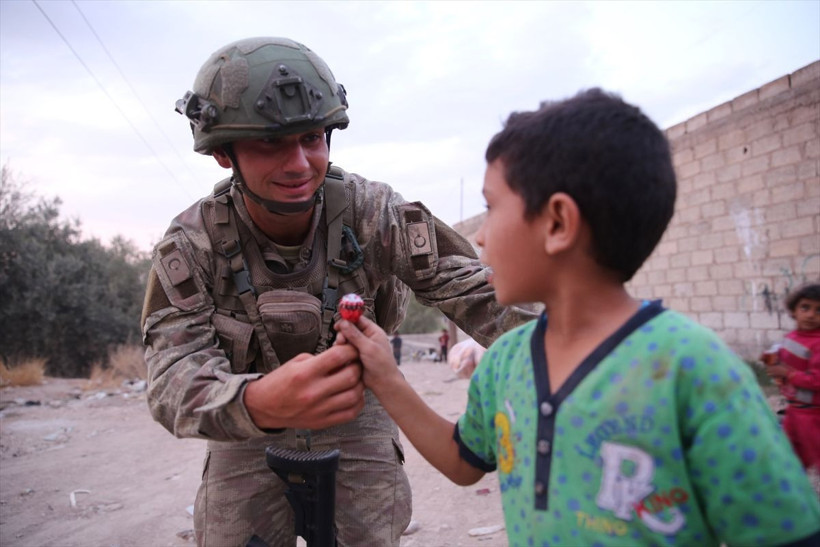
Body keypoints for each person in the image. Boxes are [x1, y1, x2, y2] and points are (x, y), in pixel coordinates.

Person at [336, 89, 820, 545]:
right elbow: (464, 461)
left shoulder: (695, 371)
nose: (479, 238)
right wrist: (387, 376)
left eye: (492, 207)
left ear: (557, 223)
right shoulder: (505, 361)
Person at [140, 37, 535, 547]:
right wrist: (259, 401)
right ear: (222, 152)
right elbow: (172, 380)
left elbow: (481, 293)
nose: (300, 163)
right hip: (247, 415)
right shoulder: (193, 244)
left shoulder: (376, 213)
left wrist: (580, 348)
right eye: (271, 143)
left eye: (312, 138)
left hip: (358, 409)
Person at [762, 283, 820, 477]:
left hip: (814, 416)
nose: (811, 315)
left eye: (819, 310)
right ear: (794, 310)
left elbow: (816, 380)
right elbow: (787, 360)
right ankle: (793, 500)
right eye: (805, 307)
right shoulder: (792, 336)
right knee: (789, 461)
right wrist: (773, 362)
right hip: (794, 412)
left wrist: (787, 374)